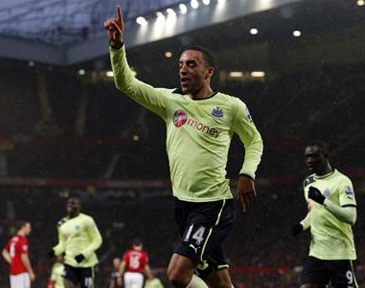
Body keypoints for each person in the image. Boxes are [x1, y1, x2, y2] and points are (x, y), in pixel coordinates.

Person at [104, 6, 263, 288]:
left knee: (177, 275)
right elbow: (125, 83)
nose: (183, 70)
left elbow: (254, 140)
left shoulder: (230, 106)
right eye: (180, 65)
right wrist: (117, 48)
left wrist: (247, 173)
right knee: (220, 283)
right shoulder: (170, 102)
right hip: (183, 205)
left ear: (209, 71)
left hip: (213, 204)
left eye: (191, 64)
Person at [291, 141, 358, 288]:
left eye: (314, 156)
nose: (309, 161)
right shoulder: (307, 183)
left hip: (341, 252)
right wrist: (302, 225)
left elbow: (351, 217)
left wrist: (323, 200)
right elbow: (314, 212)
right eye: (307, 157)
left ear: (325, 156)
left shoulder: (342, 181)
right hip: (317, 252)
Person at [50, 196, 103, 288]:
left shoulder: (87, 220)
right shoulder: (61, 223)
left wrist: (84, 254)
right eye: (69, 203)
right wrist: (54, 251)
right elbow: (62, 244)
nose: (71, 205)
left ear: (79, 207)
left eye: (74, 203)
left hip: (86, 264)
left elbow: (97, 240)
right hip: (70, 262)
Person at [1, 221, 36, 288]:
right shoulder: (22, 240)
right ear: (23, 227)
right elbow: (24, 257)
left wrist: (12, 262)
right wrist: (31, 271)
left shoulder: (13, 239)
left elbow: (4, 252)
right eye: (28, 227)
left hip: (13, 273)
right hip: (22, 273)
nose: (30, 230)